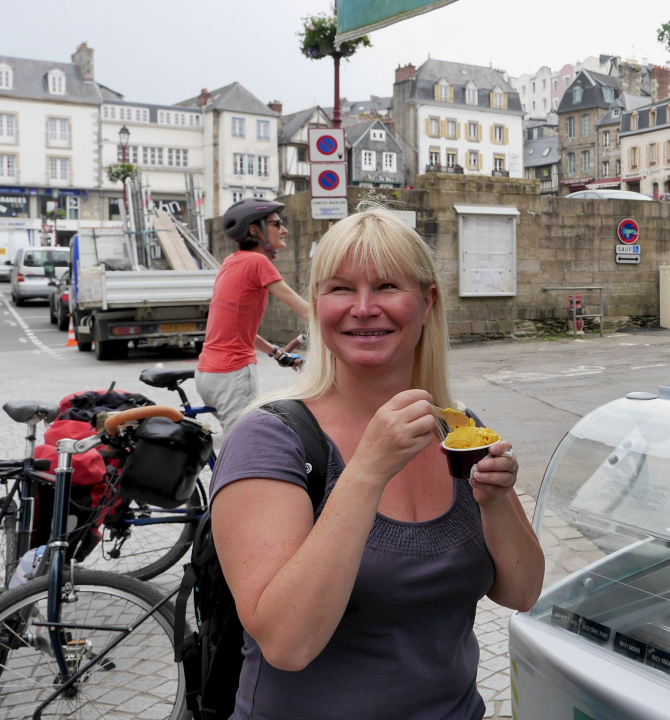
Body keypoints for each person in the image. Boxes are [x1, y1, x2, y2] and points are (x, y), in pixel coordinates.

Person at [209, 206, 543, 720]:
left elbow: (521, 591)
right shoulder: (271, 440)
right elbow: (286, 643)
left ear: (428, 302)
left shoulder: (458, 428)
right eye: (340, 288)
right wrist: (366, 471)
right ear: (317, 303)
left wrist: (496, 502)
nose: (363, 308)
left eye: (387, 286)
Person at [196, 198, 310, 433]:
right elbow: (304, 309)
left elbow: (237, 329)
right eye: (276, 223)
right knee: (243, 442)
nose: (284, 229)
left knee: (232, 439)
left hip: (207, 375)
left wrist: (277, 353)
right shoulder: (258, 261)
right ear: (254, 229)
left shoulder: (231, 262)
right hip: (232, 373)